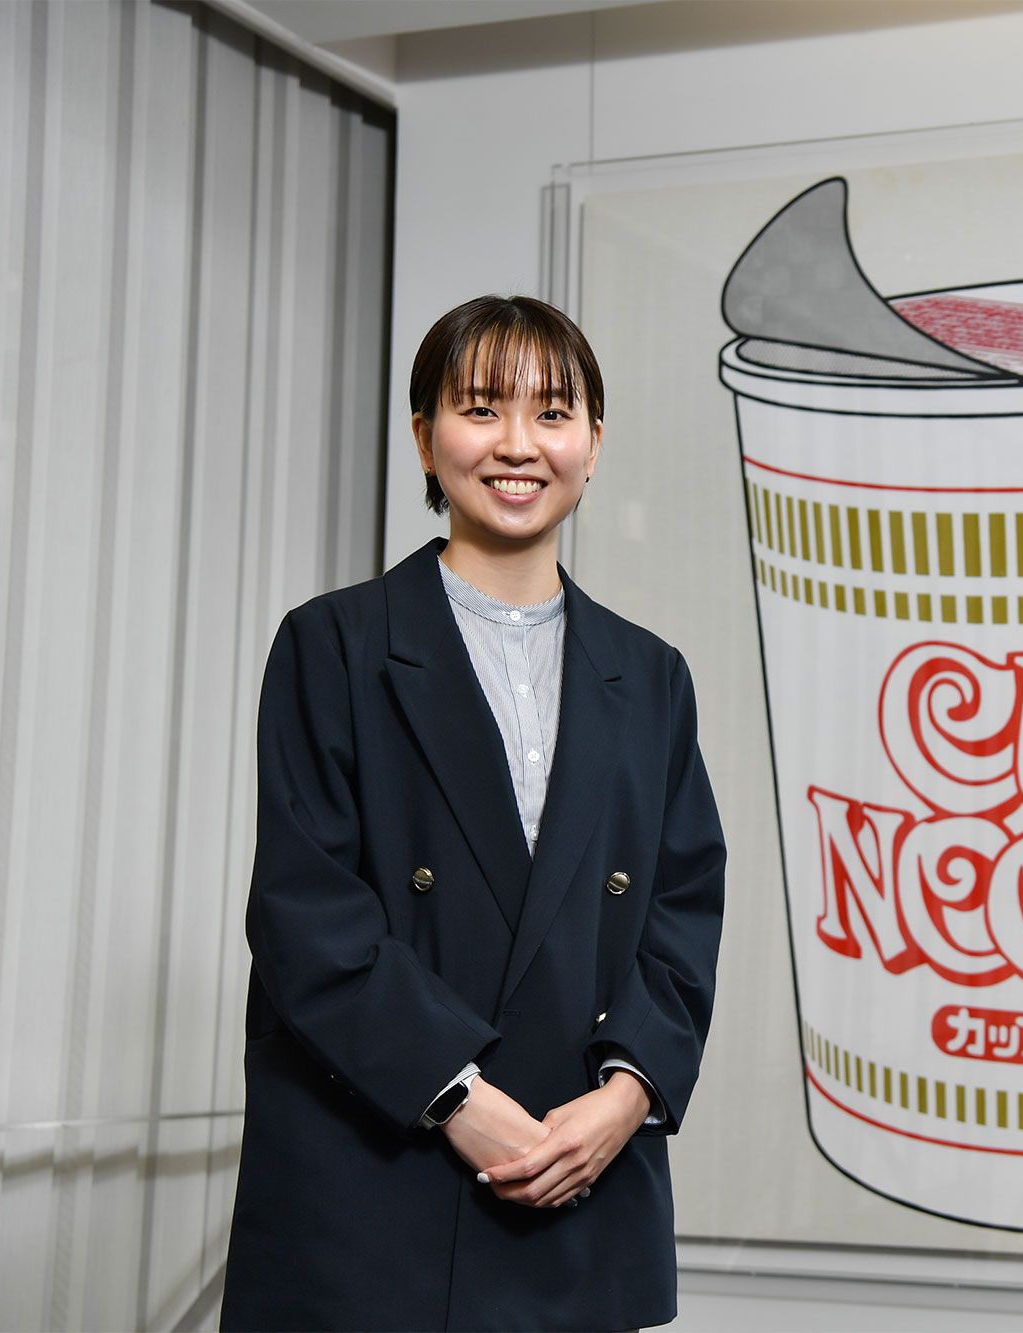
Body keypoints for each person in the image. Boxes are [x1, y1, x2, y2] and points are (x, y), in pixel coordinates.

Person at [220, 295, 725, 1331]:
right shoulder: (334, 646)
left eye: (553, 413)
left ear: (593, 444)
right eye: (481, 407)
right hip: (371, 1191)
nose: (517, 444)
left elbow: (683, 911)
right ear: (424, 436)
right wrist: (455, 1096)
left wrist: (625, 1096)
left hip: (579, 1175)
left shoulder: (651, 676)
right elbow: (306, 912)